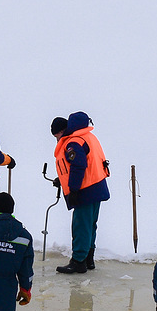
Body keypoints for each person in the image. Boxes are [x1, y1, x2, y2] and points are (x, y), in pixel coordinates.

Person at [52, 111, 110, 274]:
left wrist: (74, 189)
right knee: (90, 225)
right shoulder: (89, 137)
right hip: (97, 186)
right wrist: (61, 180)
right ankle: (88, 258)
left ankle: (78, 261)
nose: (57, 138)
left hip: (85, 189)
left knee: (81, 226)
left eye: (57, 134)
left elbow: (78, 166)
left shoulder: (73, 143)